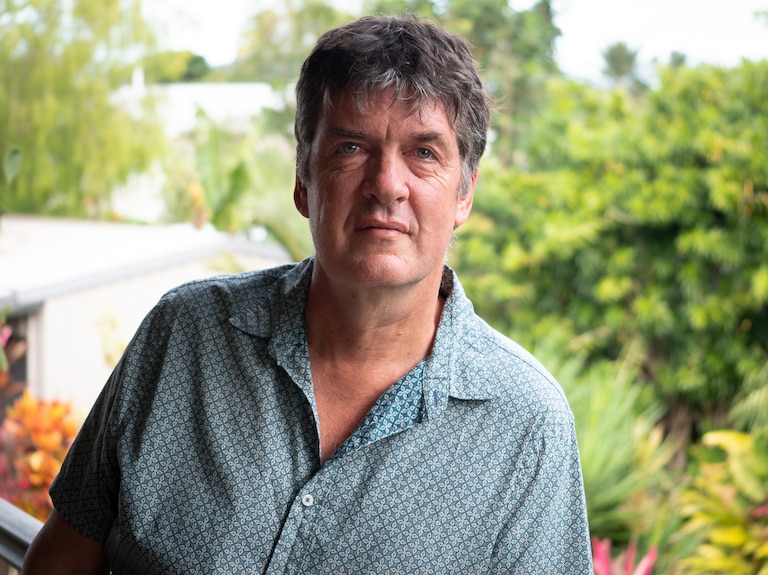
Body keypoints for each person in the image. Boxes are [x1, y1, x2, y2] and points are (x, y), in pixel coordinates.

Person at [22, 15, 592, 574]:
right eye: (351, 147)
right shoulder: (183, 335)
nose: (388, 184)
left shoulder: (528, 425)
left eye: (424, 153)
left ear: (465, 192)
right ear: (303, 178)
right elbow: (61, 558)